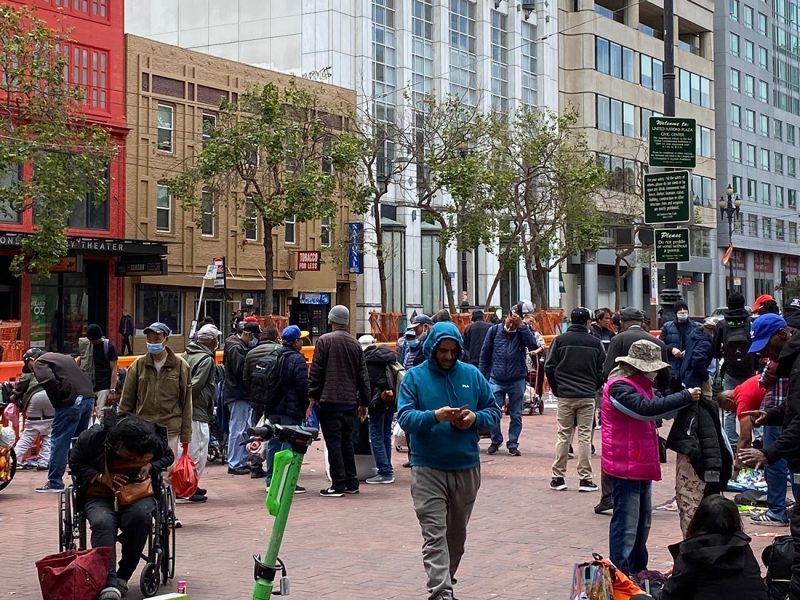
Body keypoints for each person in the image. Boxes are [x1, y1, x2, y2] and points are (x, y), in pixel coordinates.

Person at [396, 322, 501, 600]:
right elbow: (405, 418)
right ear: (432, 348)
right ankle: (441, 590)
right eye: (442, 350)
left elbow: (493, 410)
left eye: (453, 351)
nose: (447, 356)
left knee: (456, 536)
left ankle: (445, 576)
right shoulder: (414, 378)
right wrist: (435, 416)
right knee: (434, 533)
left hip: (465, 467)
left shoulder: (472, 375)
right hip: (427, 467)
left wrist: (474, 419)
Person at [602, 339, 700, 576]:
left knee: (641, 524)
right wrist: (685, 396)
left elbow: (659, 410)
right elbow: (646, 409)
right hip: (625, 463)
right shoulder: (619, 387)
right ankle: (621, 574)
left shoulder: (641, 386)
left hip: (639, 461)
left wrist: (682, 401)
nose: (656, 373)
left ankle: (638, 569)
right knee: (626, 524)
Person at [69, 412, 173, 600]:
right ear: (119, 445)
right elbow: (75, 463)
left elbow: (167, 457)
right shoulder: (92, 438)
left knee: (140, 517)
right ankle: (108, 582)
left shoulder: (153, 439)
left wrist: (150, 467)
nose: (132, 460)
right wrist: (101, 477)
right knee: (102, 522)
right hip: (99, 494)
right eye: (129, 456)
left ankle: (123, 575)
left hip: (139, 493)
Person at [594, 306, 670, 514]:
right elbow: (665, 377)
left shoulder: (618, 340)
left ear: (623, 322)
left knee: (613, 445)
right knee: (645, 440)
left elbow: (608, 370)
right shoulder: (658, 342)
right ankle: (641, 489)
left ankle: (609, 495)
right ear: (642, 321)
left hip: (621, 400)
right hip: (649, 399)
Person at [737, 314, 798, 526]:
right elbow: (793, 406)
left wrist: (767, 453)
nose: (765, 353)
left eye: (767, 346)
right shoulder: (790, 361)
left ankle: (778, 512)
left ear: (782, 335)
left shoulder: (794, 363)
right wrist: (770, 415)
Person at [308, 305, 371, 497]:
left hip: (329, 400)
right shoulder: (355, 344)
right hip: (349, 402)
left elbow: (317, 371)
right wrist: (364, 402)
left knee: (333, 441)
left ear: (331, 319)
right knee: (346, 442)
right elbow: (363, 375)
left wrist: (312, 395)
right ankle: (352, 481)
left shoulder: (324, 341)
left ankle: (338, 484)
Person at [658, 495, 768, 600]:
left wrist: (655, 587)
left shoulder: (691, 553)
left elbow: (669, 596)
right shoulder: (742, 547)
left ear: (697, 521)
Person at [545, 307, 605, 492]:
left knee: (563, 435)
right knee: (585, 436)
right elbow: (602, 370)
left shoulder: (560, 341)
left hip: (565, 395)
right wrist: (593, 387)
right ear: (588, 322)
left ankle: (558, 477)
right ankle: (585, 479)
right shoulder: (595, 343)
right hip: (587, 395)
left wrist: (557, 389)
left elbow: (549, 367)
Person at [118, 322, 192, 459]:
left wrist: (186, 435)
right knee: (144, 471)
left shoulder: (181, 366)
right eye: (149, 340)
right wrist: (120, 428)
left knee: (167, 472)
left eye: (157, 340)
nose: (152, 343)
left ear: (166, 339)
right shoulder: (138, 366)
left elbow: (186, 402)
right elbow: (127, 401)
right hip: (144, 429)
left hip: (170, 429)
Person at [667, 386, 732, 537]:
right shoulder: (706, 409)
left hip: (699, 473)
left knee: (693, 513)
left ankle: (693, 545)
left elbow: (703, 447)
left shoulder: (694, 412)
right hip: (706, 473)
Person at [30, 350, 96, 492]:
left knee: (60, 441)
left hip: (70, 401)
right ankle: (81, 479)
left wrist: (59, 401)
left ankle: (55, 482)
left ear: (31, 359)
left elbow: (48, 380)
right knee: (78, 441)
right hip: (88, 397)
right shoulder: (63, 357)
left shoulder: (39, 362)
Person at [479, 303, 537, 456]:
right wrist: (481, 377)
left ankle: (513, 443)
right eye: (514, 317)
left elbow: (532, 345)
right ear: (508, 315)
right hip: (496, 379)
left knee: (516, 414)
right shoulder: (494, 331)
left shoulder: (522, 331)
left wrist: (522, 327)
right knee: (493, 412)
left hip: (517, 379)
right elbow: (485, 355)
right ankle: (495, 440)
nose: (514, 321)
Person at [263, 325, 309, 493]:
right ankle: (285, 480)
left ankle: (271, 481)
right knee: (289, 444)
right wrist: (304, 406)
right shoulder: (297, 359)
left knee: (274, 443)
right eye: (300, 339)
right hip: (291, 409)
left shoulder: (273, 355)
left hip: (273, 408)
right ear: (296, 341)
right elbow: (302, 386)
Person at [177, 324, 220, 503]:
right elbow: (196, 385)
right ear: (211, 341)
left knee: (186, 450)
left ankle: (190, 484)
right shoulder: (207, 360)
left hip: (185, 411)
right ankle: (186, 487)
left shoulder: (186, 355)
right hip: (197, 411)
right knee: (198, 450)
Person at [713, 292, 754, 446]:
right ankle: (758, 435)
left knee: (729, 405)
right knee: (754, 403)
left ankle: (731, 439)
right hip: (750, 370)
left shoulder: (722, 324)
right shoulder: (750, 322)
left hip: (730, 370)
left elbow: (714, 350)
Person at [361, 334, 401, 485]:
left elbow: (367, 385)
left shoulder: (369, 361)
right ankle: (387, 467)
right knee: (385, 434)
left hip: (377, 402)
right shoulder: (388, 357)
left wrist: (363, 403)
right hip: (391, 401)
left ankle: (384, 471)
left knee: (376, 435)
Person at [222, 321, 260, 475]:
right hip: (238, 394)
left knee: (242, 429)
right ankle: (235, 463)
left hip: (238, 393)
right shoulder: (236, 348)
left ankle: (241, 461)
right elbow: (241, 372)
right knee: (238, 429)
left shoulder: (235, 345)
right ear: (248, 335)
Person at [11, 348, 51, 470]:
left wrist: (13, 396)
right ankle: (44, 462)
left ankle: (14, 460)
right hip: (50, 395)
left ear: (31, 359)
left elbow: (20, 386)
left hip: (34, 397)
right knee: (50, 432)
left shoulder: (31, 370)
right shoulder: (51, 364)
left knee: (29, 432)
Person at [77, 324, 119, 420]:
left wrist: (112, 390)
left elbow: (114, 369)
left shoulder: (108, 347)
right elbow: (80, 360)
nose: (91, 342)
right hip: (88, 387)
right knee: (87, 417)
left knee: (102, 416)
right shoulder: (86, 346)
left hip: (103, 387)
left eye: (92, 340)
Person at [660, 301, 699, 393]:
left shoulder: (695, 327)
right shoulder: (667, 327)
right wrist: (671, 349)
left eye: (685, 310)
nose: (682, 312)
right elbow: (661, 344)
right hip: (673, 368)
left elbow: (699, 344)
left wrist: (689, 351)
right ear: (675, 313)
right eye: (680, 310)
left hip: (690, 367)